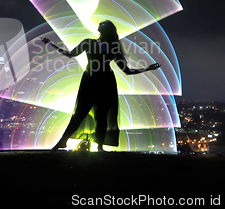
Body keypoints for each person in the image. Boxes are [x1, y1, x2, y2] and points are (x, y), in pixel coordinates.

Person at [41, 20, 161, 152]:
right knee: (81, 114)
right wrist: (51, 44)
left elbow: (126, 70)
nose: (100, 24)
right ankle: (64, 142)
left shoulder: (108, 46)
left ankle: (98, 147)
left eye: (104, 24)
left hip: (102, 82)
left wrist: (146, 69)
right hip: (94, 81)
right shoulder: (90, 42)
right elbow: (70, 54)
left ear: (108, 30)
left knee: (100, 116)